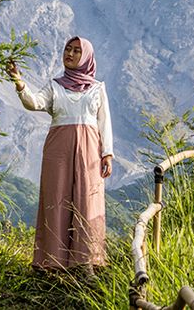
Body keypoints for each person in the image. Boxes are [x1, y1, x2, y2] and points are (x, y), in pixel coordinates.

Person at [6, 36, 114, 272]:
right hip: (58, 151)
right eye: (68, 49)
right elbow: (33, 103)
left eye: (77, 51)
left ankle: (85, 263)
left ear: (86, 57)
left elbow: (104, 122)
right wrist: (19, 81)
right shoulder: (55, 86)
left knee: (88, 199)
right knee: (56, 199)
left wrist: (107, 153)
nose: (70, 54)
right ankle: (50, 263)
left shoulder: (97, 89)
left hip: (89, 151)